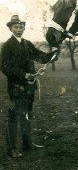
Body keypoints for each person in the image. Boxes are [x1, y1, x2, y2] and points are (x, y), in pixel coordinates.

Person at [1, 15, 58, 158]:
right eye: (16, 27)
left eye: (21, 27)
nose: (19, 29)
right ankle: (11, 148)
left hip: (29, 87)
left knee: (27, 115)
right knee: (14, 116)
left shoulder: (27, 43)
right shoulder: (7, 46)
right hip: (16, 87)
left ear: (24, 28)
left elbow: (40, 56)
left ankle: (27, 144)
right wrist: (24, 75)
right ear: (10, 28)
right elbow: (5, 67)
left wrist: (53, 55)